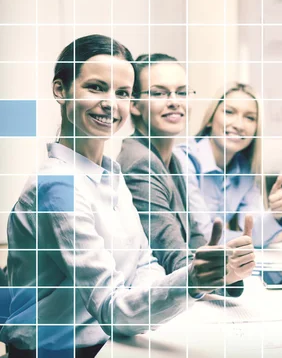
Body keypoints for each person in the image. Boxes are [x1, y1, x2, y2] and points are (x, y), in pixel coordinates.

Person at [0, 35, 229, 357]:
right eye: (96, 87)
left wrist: (149, 289)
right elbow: (112, 307)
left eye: (122, 92)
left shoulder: (109, 174)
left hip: (113, 343)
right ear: (60, 90)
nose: (111, 103)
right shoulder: (57, 188)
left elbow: (145, 263)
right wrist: (192, 281)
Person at [117, 54, 255, 296]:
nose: (174, 102)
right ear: (134, 104)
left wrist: (228, 272)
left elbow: (194, 237)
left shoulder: (172, 161)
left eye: (181, 92)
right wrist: (223, 274)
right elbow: (172, 255)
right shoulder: (140, 162)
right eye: (159, 93)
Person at [174, 83, 282, 248]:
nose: (239, 125)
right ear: (210, 119)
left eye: (250, 118)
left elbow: (252, 232)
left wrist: (277, 215)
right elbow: (204, 237)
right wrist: (259, 238)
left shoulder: (245, 169)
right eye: (229, 112)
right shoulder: (184, 161)